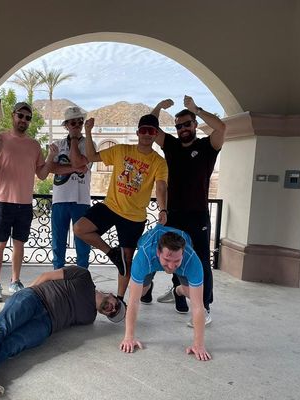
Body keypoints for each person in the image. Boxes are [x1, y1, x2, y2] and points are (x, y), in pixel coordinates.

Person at [0, 266, 125, 396]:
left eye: (113, 314)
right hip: (35, 298)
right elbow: (47, 276)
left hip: (46, 326)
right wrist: (24, 294)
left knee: (12, 346)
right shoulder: (84, 276)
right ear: (112, 295)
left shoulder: (89, 317)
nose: (112, 309)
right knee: (1, 329)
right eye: (116, 305)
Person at [73, 114, 168, 302]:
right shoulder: (121, 150)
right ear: (137, 132)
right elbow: (91, 156)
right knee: (79, 228)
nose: (147, 134)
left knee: (127, 261)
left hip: (134, 216)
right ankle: (112, 253)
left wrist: (162, 209)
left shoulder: (159, 162)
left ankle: (120, 298)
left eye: (151, 131)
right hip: (110, 206)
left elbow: (161, 186)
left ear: (156, 134)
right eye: (143, 130)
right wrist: (88, 132)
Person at [149, 96, 226, 323]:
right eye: (179, 126)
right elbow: (151, 127)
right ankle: (179, 295)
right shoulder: (171, 145)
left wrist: (196, 109)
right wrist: (158, 107)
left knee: (201, 260)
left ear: (194, 125)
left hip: (198, 214)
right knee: (174, 256)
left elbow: (222, 127)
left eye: (187, 124)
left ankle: (205, 306)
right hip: (173, 214)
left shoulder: (207, 146)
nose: (183, 129)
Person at [0, 102, 51, 302]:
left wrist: (52, 157)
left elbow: (41, 174)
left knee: (19, 245)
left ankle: (15, 281)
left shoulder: (33, 145)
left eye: (28, 117)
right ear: (13, 116)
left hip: (24, 203)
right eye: (20, 116)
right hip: (3, 201)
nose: (24, 120)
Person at [120, 225, 211, 361]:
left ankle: (178, 290)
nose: (171, 266)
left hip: (182, 252)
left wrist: (199, 345)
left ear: (183, 254)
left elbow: (198, 306)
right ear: (158, 253)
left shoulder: (192, 260)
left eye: (176, 261)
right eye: (167, 260)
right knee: (140, 292)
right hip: (149, 258)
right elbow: (133, 301)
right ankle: (148, 285)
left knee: (193, 295)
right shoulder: (144, 256)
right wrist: (128, 337)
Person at [49, 106, 92, 270]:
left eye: (80, 122)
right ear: (66, 125)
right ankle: (58, 275)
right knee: (58, 241)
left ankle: (82, 276)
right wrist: (74, 168)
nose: (77, 125)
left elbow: (77, 161)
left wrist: (74, 140)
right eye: (73, 122)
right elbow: (52, 168)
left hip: (81, 200)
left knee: (83, 242)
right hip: (60, 199)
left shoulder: (90, 144)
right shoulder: (57, 144)